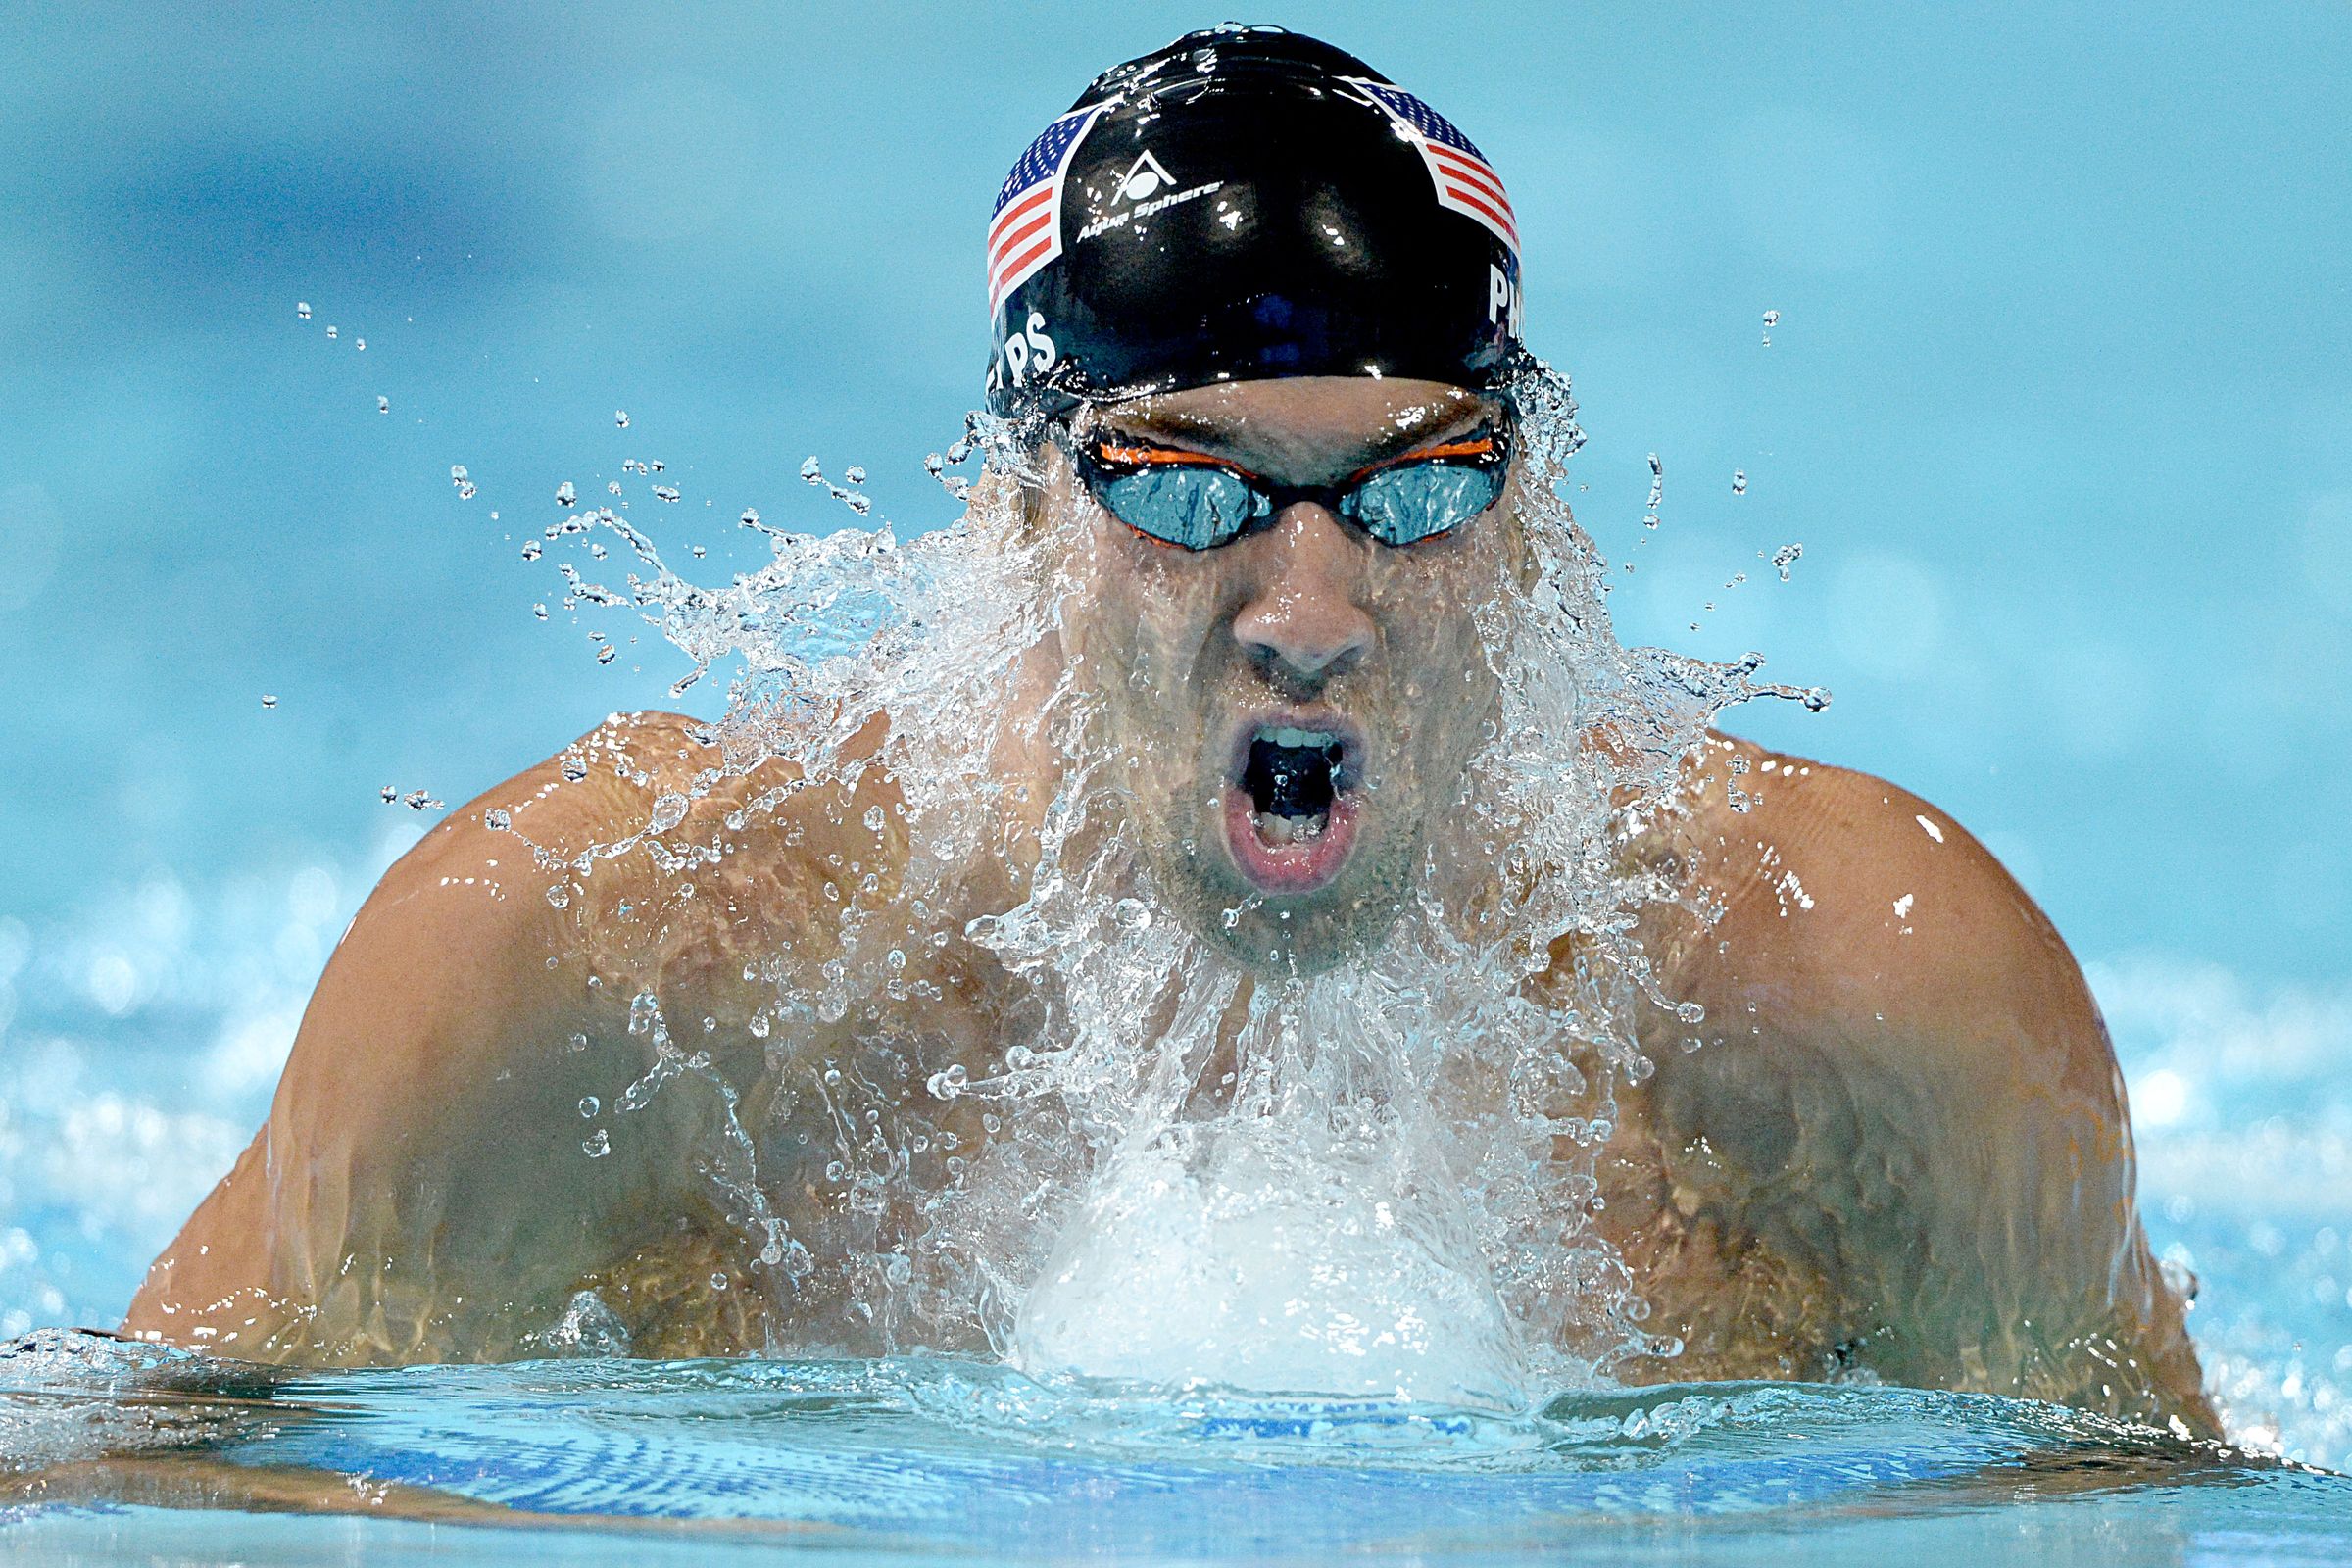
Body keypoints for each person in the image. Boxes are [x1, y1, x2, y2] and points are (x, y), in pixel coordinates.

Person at [124, 27, 2214, 1434]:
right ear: (1019, 514)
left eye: (1412, 485)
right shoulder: (607, 982)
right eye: (1186, 485)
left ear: (1533, 512)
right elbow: (153, 1492)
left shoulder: (1869, 1008)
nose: (1311, 614)